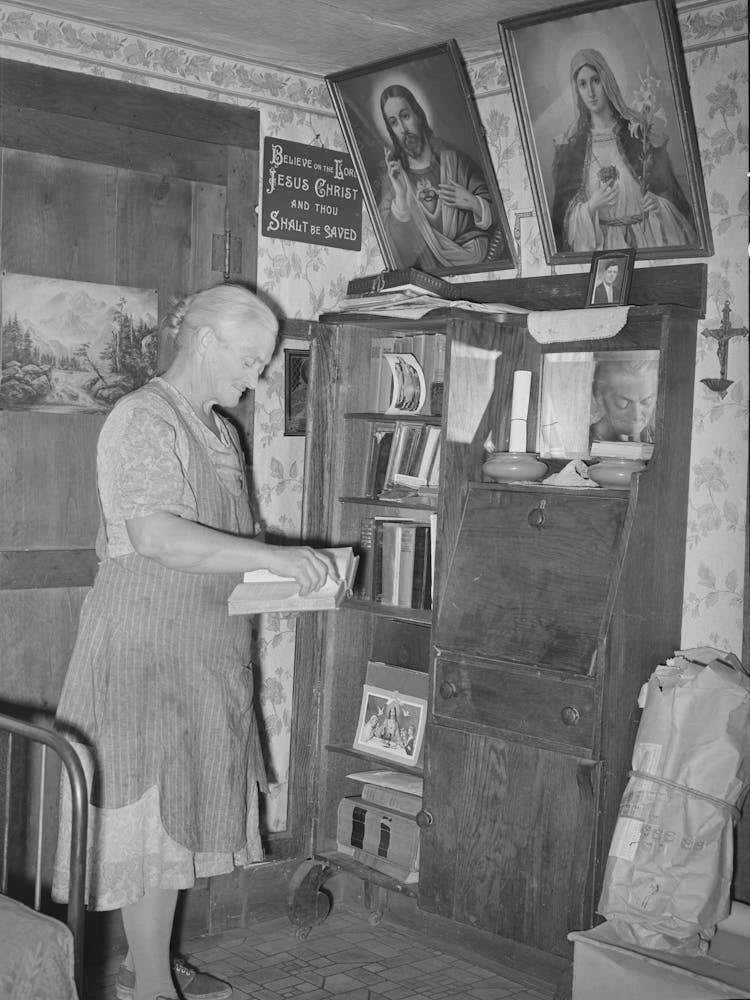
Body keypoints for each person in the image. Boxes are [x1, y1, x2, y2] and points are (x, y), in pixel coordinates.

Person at [52, 284, 335, 1000]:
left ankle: (143, 970)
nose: (257, 376)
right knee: (146, 826)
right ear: (205, 341)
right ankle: (150, 987)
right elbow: (156, 534)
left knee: (175, 825)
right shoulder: (141, 418)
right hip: (141, 650)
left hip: (204, 650)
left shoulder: (219, 431)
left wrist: (292, 575)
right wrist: (272, 558)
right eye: (250, 358)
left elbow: (229, 546)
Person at [551, 49, 697, 254]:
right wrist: (590, 207)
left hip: (649, 239)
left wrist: (658, 202)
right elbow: (561, 220)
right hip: (604, 248)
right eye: (583, 84)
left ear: (607, 81)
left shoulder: (637, 133)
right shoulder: (572, 147)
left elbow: (669, 191)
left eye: (595, 80)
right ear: (577, 89)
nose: (591, 92)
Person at [378, 84, 503, 271]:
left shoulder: (457, 162)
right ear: (391, 131)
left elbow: (501, 214)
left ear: (418, 115)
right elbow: (395, 251)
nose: (403, 128)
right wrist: (402, 198)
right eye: (394, 122)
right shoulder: (393, 182)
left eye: (405, 116)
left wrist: (473, 202)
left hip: (477, 267)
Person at [589, 355, 658, 443]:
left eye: (646, 401)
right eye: (623, 403)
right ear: (599, 396)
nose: (636, 415)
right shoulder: (582, 442)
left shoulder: (653, 437)